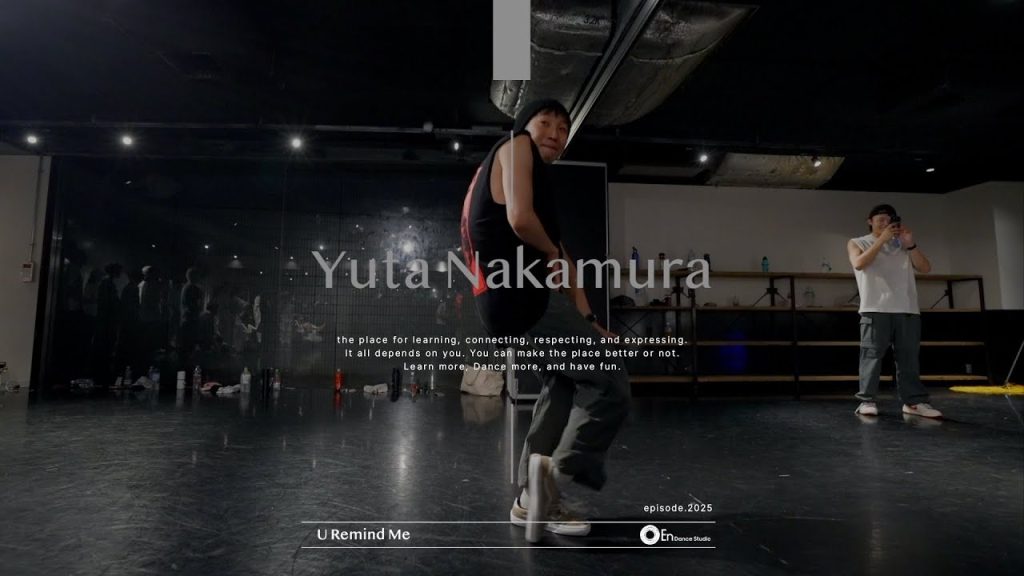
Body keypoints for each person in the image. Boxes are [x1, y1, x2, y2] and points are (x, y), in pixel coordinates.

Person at [460, 99, 631, 543]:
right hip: (521, 297)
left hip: (501, 304)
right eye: (545, 122)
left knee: (563, 382)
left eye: (563, 127)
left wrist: (589, 318)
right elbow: (520, 220)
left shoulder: (525, 176)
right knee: (610, 382)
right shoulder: (516, 145)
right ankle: (548, 486)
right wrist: (552, 253)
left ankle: (529, 499)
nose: (555, 132)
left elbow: (564, 260)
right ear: (524, 125)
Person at [847, 204, 942, 418]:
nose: (885, 223)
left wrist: (910, 244)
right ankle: (866, 400)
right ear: (870, 221)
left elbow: (925, 268)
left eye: (888, 220)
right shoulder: (858, 242)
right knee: (872, 355)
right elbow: (859, 263)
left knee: (909, 357)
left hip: (907, 308)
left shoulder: (902, 244)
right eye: (880, 219)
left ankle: (914, 402)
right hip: (875, 307)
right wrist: (882, 240)